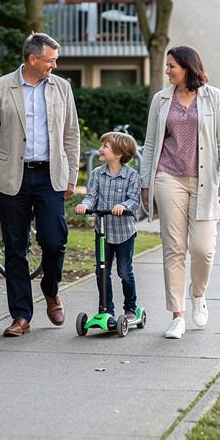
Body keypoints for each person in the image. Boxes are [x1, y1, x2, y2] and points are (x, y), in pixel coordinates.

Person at [0, 33, 80, 337]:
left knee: (53, 240)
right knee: (15, 248)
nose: (55, 64)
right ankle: (21, 315)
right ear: (32, 59)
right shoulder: (1, 87)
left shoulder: (62, 88)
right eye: (50, 60)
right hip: (12, 176)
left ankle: (51, 290)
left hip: (50, 176)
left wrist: (71, 175)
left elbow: (71, 134)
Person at [141, 46, 220, 339]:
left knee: (203, 250)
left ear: (187, 67)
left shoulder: (213, 97)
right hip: (168, 178)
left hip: (204, 180)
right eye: (167, 66)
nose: (167, 71)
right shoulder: (161, 99)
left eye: (172, 66)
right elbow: (151, 143)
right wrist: (146, 183)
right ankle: (177, 315)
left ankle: (198, 294)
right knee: (174, 248)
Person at [75, 131, 141, 321]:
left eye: (105, 146)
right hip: (103, 231)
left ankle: (130, 308)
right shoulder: (97, 174)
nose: (100, 149)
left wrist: (123, 206)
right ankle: (106, 310)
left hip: (124, 233)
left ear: (119, 153)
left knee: (124, 272)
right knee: (101, 271)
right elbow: (91, 196)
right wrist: (85, 205)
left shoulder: (131, 176)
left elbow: (134, 200)